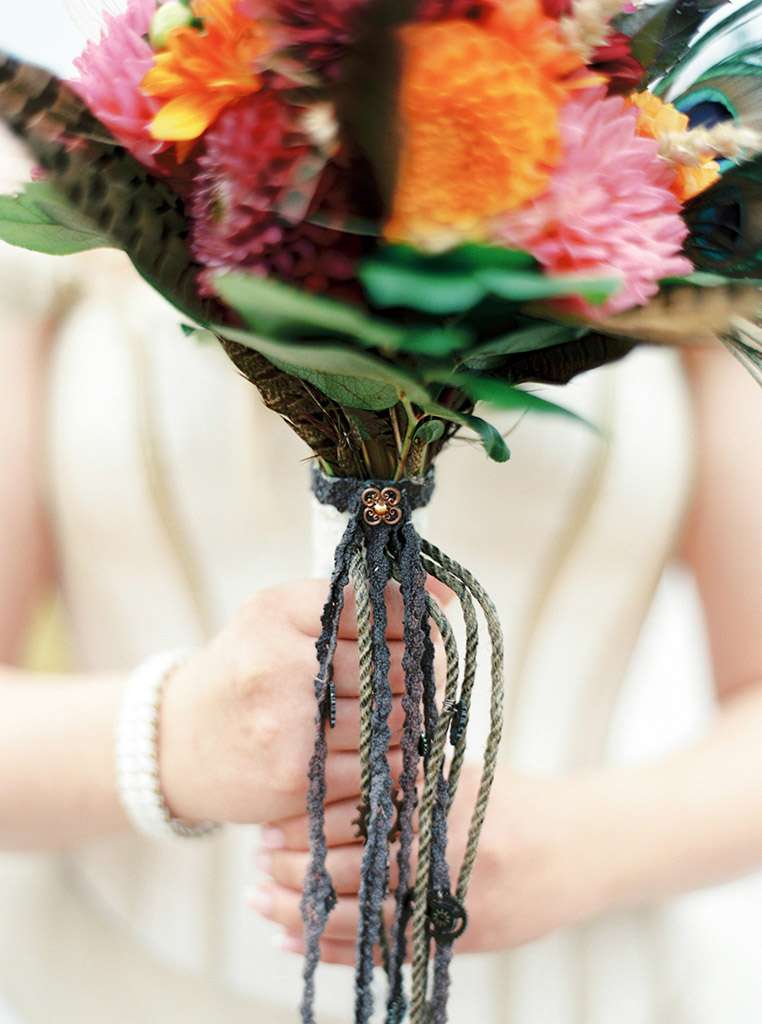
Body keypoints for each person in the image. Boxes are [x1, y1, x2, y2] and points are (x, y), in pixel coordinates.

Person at [0, 134, 762, 1024]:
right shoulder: (55, 178)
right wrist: (173, 738)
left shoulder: (677, 183)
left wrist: (575, 846)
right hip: (124, 987)